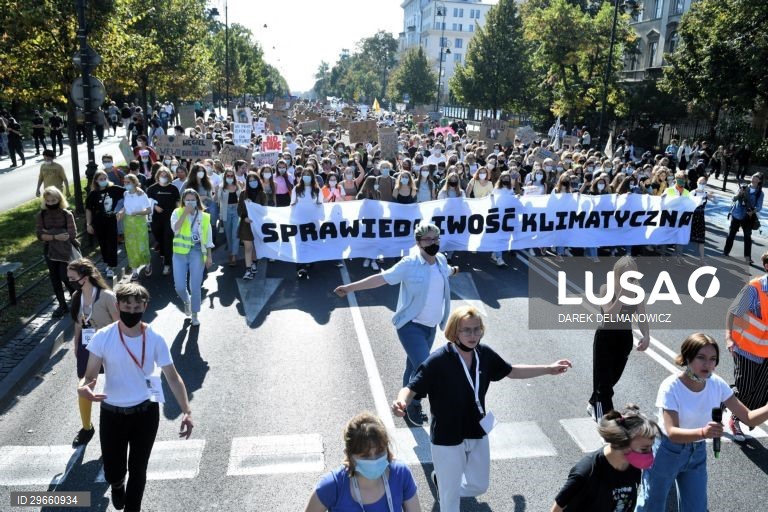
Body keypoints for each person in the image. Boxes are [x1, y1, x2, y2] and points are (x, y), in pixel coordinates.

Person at [391, 305, 572, 512]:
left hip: (477, 430)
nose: (473, 335)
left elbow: (512, 371)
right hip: (447, 437)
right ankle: (448, 486)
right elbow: (411, 388)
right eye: (466, 330)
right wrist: (401, 401)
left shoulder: (483, 354)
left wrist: (549, 369)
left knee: (479, 485)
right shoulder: (438, 361)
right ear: (454, 332)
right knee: (450, 501)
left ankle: (444, 483)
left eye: (477, 329)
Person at [77, 282, 194, 512]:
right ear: (118, 306)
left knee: (138, 469)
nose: (132, 312)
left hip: (145, 413)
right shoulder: (103, 337)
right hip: (112, 413)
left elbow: (172, 377)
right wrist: (83, 388)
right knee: (113, 470)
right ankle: (117, 484)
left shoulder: (155, 338)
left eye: (137, 308)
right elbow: (89, 376)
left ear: (145, 307)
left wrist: (187, 411)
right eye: (127, 307)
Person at [335, 224, 459, 426]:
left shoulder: (441, 260)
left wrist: (454, 270)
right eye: (428, 239)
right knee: (426, 368)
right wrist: (350, 288)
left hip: (431, 326)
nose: (433, 242)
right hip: (411, 326)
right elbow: (381, 279)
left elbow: (447, 271)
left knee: (413, 367)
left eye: (436, 238)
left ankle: (404, 404)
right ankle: (414, 404)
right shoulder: (409, 264)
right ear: (418, 242)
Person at [635, 333, 768, 511]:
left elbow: (749, 417)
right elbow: (672, 432)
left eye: (713, 359)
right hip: (665, 452)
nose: (708, 364)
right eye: (701, 357)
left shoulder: (717, 384)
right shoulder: (671, 386)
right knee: (651, 506)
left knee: (696, 508)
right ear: (688, 357)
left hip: (697, 452)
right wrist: (703, 432)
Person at [304, 412, 421, 512]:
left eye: (379, 452)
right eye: (365, 456)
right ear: (349, 455)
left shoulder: (401, 474)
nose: (374, 460)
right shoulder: (332, 485)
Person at [551, 405, 658, 512]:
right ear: (622, 443)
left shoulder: (633, 467)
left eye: (651, 447)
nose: (650, 454)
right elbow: (556, 509)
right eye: (644, 449)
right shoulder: (587, 472)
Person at [587, 257, 650, 421]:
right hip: (605, 338)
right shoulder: (606, 288)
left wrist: (646, 335)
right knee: (604, 382)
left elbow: (642, 317)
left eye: (632, 276)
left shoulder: (637, 292)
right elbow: (609, 316)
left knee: (612, 378)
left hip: (624, 339)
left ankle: (594, 402)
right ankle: (605, 419)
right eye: (625, 276)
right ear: (617, 274)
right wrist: (622, 294)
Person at [66, 258, 118, 448]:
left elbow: (119, 324)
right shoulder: (76, 296)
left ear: (85, 277)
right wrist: (76, 343)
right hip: (88, 345)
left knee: (114, 386)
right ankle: (87, 428)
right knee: (84, 386)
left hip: (109, 345)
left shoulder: (107, 296)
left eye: (72, 278)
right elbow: (78, 323)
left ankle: (117, 424)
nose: (70, 282)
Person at [725, 250, 768, 442]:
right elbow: (733, 312)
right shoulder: (755, 288)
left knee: (760, 395)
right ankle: (735, 419)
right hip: (746, 348)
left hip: (766, 353)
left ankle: (723, 398)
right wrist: (729, 337)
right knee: (745, 389)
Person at [171, 189, 214, 326]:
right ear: (183, 201)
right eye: (187, 200)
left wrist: (209, 256)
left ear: (197, 201)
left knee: (195, 286)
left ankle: (195, 314)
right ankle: (186, 301)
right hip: (180, 253)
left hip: (197, 251)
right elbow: (175, 229)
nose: (190, 202)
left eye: (192, 200)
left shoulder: (204, 216)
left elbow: (208, 238)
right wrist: (185, 213)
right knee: (179, 286)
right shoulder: (177, 212)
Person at [36, 186, 78, 316]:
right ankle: (62, 305)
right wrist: (55, 236)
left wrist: (49, 234)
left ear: (59, 199)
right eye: (48, 201)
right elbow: (39, 235)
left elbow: (71, 234)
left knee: (65, 276)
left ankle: (75, 298)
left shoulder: (66, 214)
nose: (50, 203)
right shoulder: (42, 215)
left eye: (53, 200)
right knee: (54, 278)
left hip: (65, 250)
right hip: (50, 250)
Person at [86, 171, 124, 279]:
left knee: (112, 243)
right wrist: (89, 224)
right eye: (101, 179)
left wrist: (122, 210)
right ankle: (107, 263)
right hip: (98, 222)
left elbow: (129, 194)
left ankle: (111, 266)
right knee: (103, 245)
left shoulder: (114, 189)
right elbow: (88, 209)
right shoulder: (93, 194)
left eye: (105, 178)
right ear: (96, 181)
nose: (103, 181)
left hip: (111, 220)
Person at [117, 174, 152, 281]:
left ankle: (147, 264)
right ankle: (134, 271)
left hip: (140, 222)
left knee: (142, 245)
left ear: (134, 182)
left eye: (128, 182)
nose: (126, 184)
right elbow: (126, 207)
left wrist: (138, 213)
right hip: (128, 223)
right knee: (131, 247)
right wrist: (121, 212)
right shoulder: (126, 193)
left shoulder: (142, 194)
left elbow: (149, 210)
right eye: (125, 182)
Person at [146, 166, 180, 275]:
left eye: (166, 176)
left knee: (168, 239)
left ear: (169, 176)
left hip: (169, 218)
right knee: (158, 237)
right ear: (158, 176)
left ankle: (167, 264)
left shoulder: (173, 189)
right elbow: (147, 202)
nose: (163, 177)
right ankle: (163, 250)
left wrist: (179, 215)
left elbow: (178, 202)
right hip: (156, 218)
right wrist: (155, 206)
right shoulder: (152, 189)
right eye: (162, 175)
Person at [723, 173, 763, 264]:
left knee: (747, 237)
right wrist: (739, 194)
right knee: (731, 234)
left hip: (748, 217)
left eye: (756, 177)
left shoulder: (760, 193)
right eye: (753, 176)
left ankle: (747, 258)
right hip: (737, 213)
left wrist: (753, 211)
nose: (753, 178)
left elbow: (759, 206)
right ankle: (726, 252)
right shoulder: (744, 187)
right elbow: (733, 199)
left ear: (759, 180)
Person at [291, 168, 323, 279]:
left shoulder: (317, 190)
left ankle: (310, 261)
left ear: (312, 176)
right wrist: (292, 218)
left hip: (313, 221)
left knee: (311, 241)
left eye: (309, 174)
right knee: (300, 242)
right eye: (304, 174)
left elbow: (320, 203)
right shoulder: (297, 189)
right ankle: (301, 266)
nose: (306, 176)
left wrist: (321, 217)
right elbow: (292, 203)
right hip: (299, 220)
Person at [239, 172, 267, 280]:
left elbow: (265, 210)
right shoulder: (243, 194)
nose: (252, 182)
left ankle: (254, 262)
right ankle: (248, 270)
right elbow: (239, 210)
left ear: (258, 181)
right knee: (248, 247)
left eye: (254, 180)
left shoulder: (262, 194)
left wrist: (254, 208)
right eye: (250, 181)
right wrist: (244, 217)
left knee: (255, 246)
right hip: (246, 225)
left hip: (257, 225)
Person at [218, 167, 243, 267]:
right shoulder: (221, 187)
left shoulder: (237, 186)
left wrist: (242, 188)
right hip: (226, 211)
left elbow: (242, 198)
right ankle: (230, 250)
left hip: (236, 210)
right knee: (228, 234)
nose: (230, 177)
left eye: (231, 175)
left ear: (234, 177)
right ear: (225, 177)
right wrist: (216, 191)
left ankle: (233, 255)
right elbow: (217, 200)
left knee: (235, 234)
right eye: (228, 175)